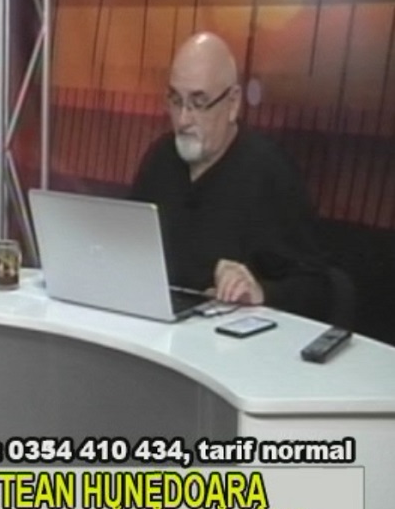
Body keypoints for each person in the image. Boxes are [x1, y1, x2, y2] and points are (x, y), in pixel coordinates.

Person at [130, 32, 329, 319]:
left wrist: (261, 292)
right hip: (155, 326)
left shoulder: (269, 172)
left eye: (199, 103)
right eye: (175, 100)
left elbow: (318, 288)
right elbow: (127, 249)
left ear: (233, 103)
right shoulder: (160, 158)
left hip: (231, 340)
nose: (183, 119)